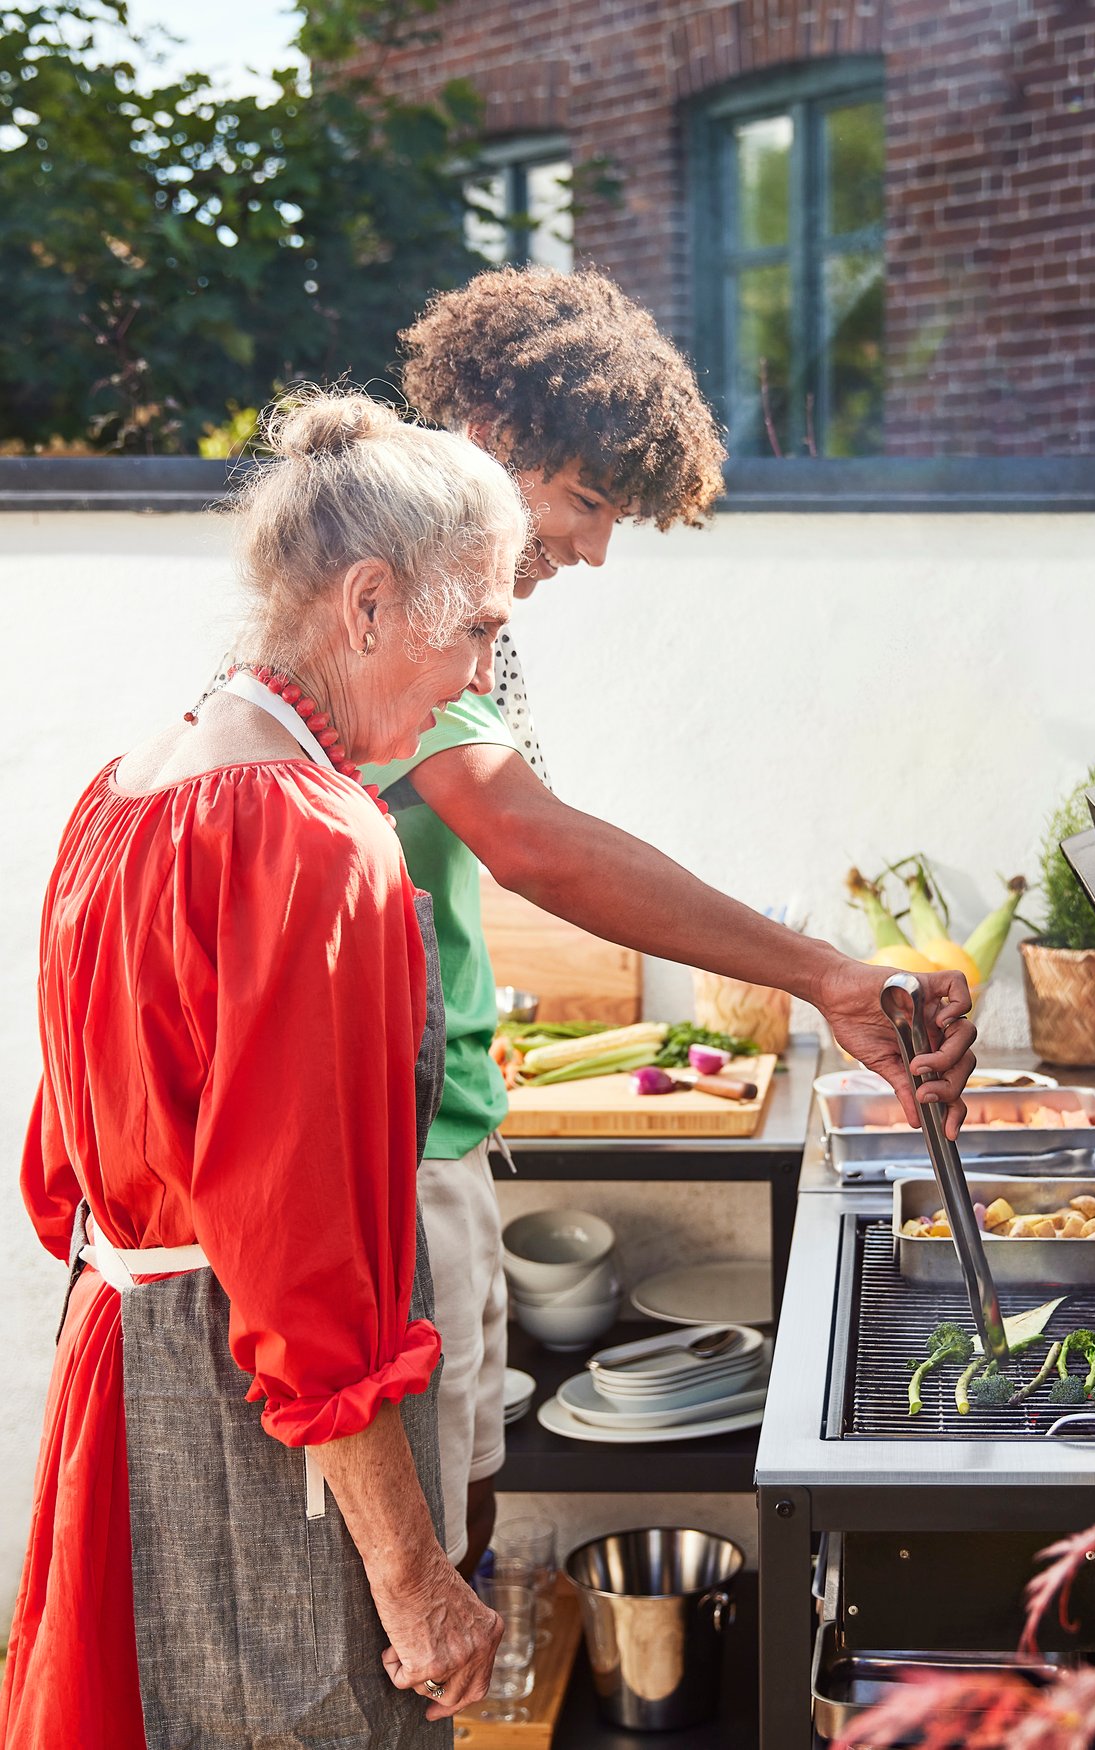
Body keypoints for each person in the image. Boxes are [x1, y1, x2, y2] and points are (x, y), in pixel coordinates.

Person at [363, 266, 978, 1580]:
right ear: (492, 436)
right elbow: (534, 844)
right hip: (378, 1159)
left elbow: (522, 833)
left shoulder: (465, 603)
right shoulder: (394, 590)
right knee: (422, 1562)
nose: (594, 548)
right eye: (586, 503)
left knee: (461, 1520)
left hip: (438, 1125)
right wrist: (822, 971)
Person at [0, 389, 530, 1750]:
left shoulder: (119, 793)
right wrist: (416, 1580)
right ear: (365, 606)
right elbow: (298, 1264)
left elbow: (64, 1177)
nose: (478, 674)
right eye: (475, 627)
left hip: (122, 1368)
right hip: (257, 1418)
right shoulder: (311, 839)